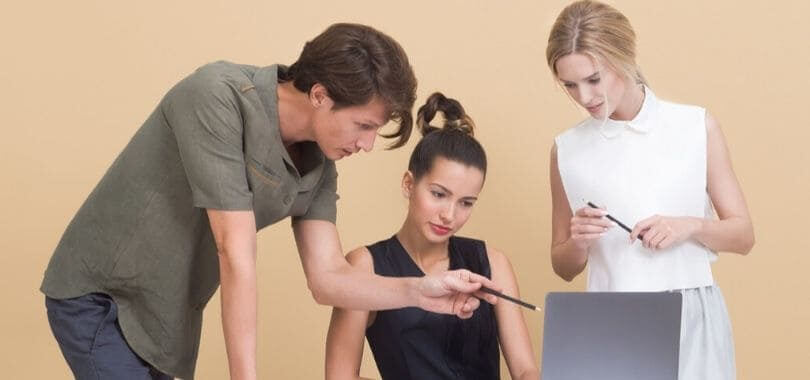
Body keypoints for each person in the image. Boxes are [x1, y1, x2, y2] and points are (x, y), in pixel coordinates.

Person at [41, 23, 500, 380]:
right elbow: (235, 252)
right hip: (102, 296)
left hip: (168, 315)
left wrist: (421, 292)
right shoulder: (216, 97)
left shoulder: (319, 161)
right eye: (363, 125)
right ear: (320, 95)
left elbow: (328, 278)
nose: (367, 145)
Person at [545, 1, 755, 378]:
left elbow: (743, 235)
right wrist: (578, 240)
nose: (584, 97)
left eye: (594, 79)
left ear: (623, 57)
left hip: (691, 317)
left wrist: (689, 226)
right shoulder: (567, 150)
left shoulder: (694, 127)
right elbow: (562, 266)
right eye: (570, 85)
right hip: (609, 320)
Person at [325, 92, 538, 380]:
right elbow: (340, 377)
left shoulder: (492, 263)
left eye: (466, 202)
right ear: (409, 184)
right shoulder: (365, 266)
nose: (449, 215)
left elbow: (526, 370)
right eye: (439, 194)